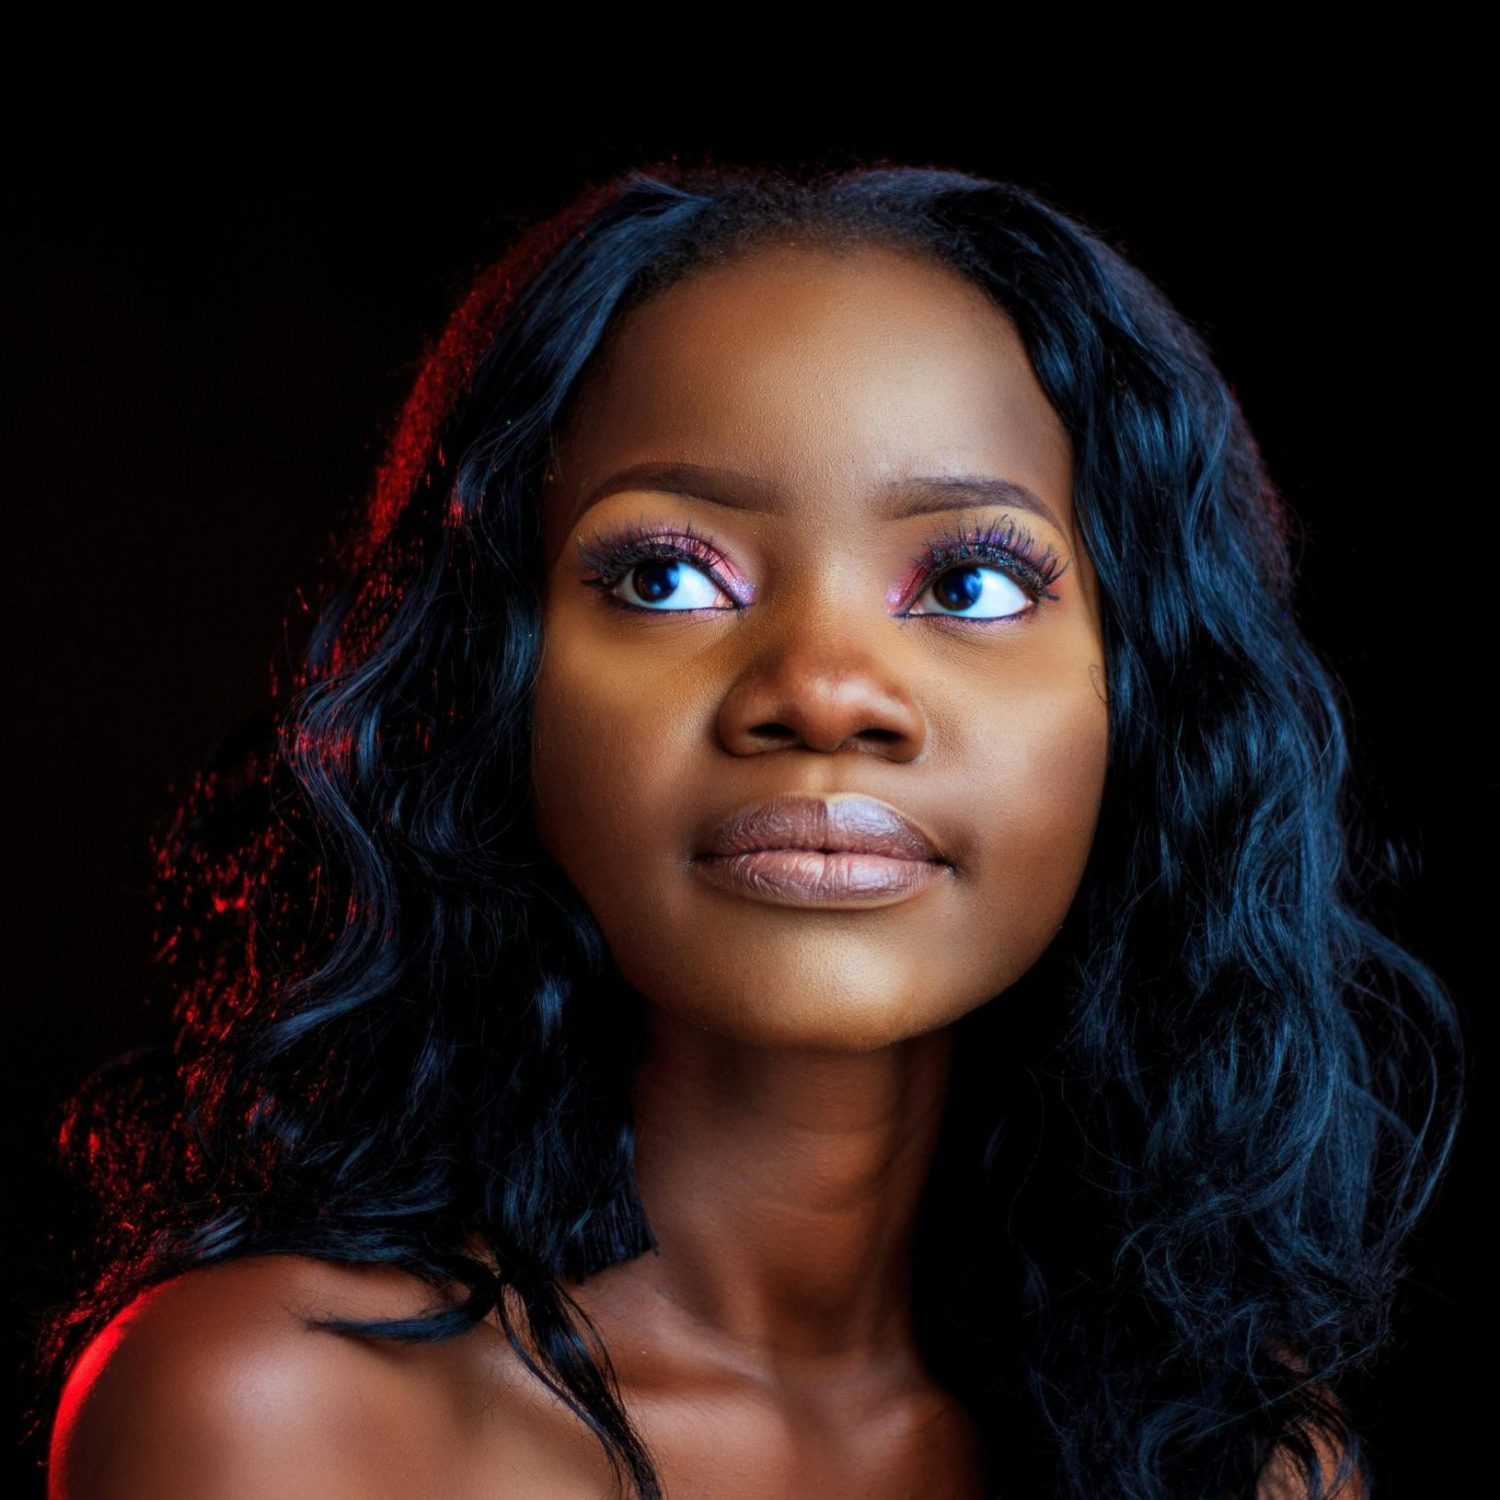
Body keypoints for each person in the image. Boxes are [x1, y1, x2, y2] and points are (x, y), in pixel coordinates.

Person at [36, 160, 1462, 1499]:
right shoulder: (276, 1418)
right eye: (667, 573)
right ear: (496, 680)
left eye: (970, 584)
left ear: (1141, 704)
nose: (825, 691)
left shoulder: (1243, 1461)